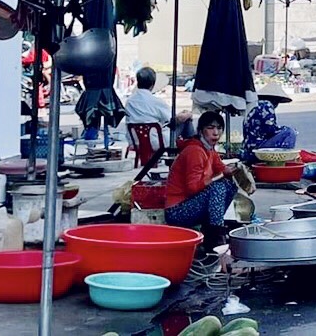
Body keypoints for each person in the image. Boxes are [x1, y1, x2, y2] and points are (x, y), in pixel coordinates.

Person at [165, 110, 237, 245]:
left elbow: (221, 168)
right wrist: (219, 176)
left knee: (230, 186)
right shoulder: (195, 151)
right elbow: (192, 188)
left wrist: (239, 171)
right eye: (210, 128)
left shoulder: (209, 149)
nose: (216, 133)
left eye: (219, 128)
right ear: (200, 131)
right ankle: (216, 238)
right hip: (177, 211)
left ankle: (210, 231)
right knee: (218, 187)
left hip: (192, 204)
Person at [123, 67, 194, 143]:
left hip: (135, 141)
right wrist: (187, 114)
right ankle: (192, 145)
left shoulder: (129, 101)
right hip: (156, 142)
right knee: (186, 121)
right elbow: (174, 119)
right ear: (153, 84)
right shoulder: (156, 102)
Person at [241, 85, 297, 161]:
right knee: (290, 132)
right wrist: (283, 129)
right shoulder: (267, 105)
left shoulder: (254, 105)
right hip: (257, 149)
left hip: (247, 149)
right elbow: (270, 130)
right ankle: (285, 160)